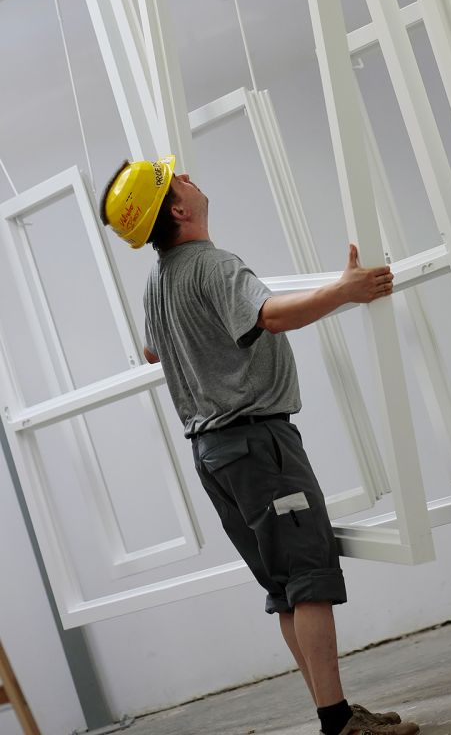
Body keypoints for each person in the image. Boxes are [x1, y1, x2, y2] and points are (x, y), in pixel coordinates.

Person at [99, 156, 420, 735]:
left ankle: (335, 713)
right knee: (308, 577)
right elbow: (270, 317)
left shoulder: (158, 280)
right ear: (178, 210)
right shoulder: (213, 264)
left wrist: (197, 344)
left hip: (214, 455)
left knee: (284, 588)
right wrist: (344, 291)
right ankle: (339, 724)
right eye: (178, 181)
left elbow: (152, 350)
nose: (189, 177)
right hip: (256, 445)